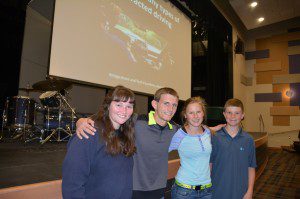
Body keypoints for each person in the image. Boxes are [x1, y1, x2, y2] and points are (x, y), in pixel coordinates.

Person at [76, 87, 180, 199]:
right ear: (155, 104)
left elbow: (195, 130)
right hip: (133, 190)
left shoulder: (175, 130)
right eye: (166, 103)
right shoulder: (136, 121)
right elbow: (101, 118)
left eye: (174, 105)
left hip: (159, 191)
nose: (170, 108)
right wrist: (80, 121)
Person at [62, 85, 136, 199]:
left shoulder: (126, 134)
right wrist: (80, 121)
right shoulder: (88, 133)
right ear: (108, 106)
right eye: (118, 105)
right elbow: (72, 185)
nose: (124, 111)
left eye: (129, 106)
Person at [210, 98, 256, 199]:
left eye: (237, 113)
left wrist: (250, 191)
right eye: (229, 112)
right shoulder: (215, 137)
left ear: (242, 115)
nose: (233, 116)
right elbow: (210, 165)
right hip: (217, 191)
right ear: (224, 114)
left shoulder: (248, 140)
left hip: (241, 192)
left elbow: (251, 167)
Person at [168, 97, 213, 199]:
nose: (195, 116)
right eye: (191, 113)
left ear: (203, 113)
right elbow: (161, 152)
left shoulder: (207, 132)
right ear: (185, 115)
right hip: (184, 191)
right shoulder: (180, 134)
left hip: (207, 190)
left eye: (198, 112)